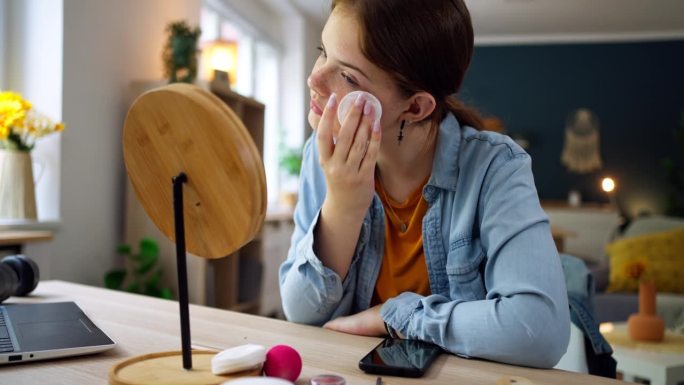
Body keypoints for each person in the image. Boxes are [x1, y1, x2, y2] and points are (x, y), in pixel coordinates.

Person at [279, 0, 570, 368]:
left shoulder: (494, 167)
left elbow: (539, 331)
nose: (314, 78)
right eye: (323, 52)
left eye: (349, 77)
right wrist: (343, 206)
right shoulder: (320, 154)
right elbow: (301, 313)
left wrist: (396, 316)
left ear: (416, 107)